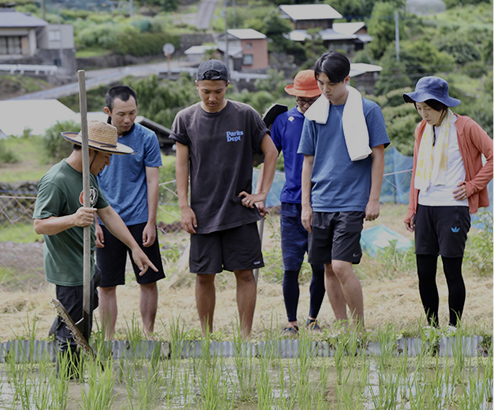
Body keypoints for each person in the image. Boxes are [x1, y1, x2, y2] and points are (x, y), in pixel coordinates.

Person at [33, 121, 157, 376]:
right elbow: (40, 225)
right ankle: (69, 386)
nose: (109, 164)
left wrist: (134, 247)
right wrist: (73, 219)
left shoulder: (88, 177)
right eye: (107, 156)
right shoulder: (56, 180)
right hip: (68, 271)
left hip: (87, 265)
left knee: (84, 317)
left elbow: (107, 212)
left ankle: (61, 329)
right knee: (73, 337)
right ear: (91, 151)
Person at [170, 59, 278, 339]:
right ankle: (206, 337)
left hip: (239, 210)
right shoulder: (186, 119)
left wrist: (262, 193)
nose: (212, 97)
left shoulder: (245, 115)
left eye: (218, 90)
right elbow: (181, 165)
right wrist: (184, 206)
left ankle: (245, 336)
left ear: (227, 85)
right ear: (196, 86)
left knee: (244, 273)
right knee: (204, 276)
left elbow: (271, 152)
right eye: (206, 91)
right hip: (202, 213)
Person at [298, 51, 390, 332]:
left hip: (351, 200)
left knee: (341, 266)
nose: (325, 90)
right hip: (320, 200)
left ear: (346, 80)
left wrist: (373, 199)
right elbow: (308, 161)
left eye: (330, 84)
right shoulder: (314, 114)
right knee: (326, 266)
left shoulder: (368, 110)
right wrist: (306, 204)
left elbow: (378, 156)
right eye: (321, 83)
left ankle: (359, 328)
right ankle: (342, 328)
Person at [402, 76, 493, 332]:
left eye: (428, 108)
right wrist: (412, 208)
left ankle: (453, 328)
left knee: (452, 270)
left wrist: (473, 185)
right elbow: (417, 171)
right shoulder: (422, 129)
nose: (424, 114)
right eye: (419, 108)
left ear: (442, 106)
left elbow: (492, 155)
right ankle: (432, 328)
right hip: (426, 207)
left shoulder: (465, 126)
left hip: (453, 208)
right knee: (424, 272)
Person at [95, 85, 165, 340]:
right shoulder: (97, 137)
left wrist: (151, 222)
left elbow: (152, 181)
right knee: (106, 284)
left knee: (148, 280)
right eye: (121, 114)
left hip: (139, 220)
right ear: (108, 111)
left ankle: (148, 335)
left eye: (132, 113)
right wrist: (95, 223)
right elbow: (90, 183)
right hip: (106, 221)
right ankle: (108, 339)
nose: (127, 119)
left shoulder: (147, 137)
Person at [269, 70, 326, 335]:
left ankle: (313, 319)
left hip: (323, 202)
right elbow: (268, 158)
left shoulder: (328, 119)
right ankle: (291, 321)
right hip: (291, 203)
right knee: (290, 265)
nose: (304, 105)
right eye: (300, 100)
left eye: (310, 100)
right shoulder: (283, 121)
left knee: (319, 265)